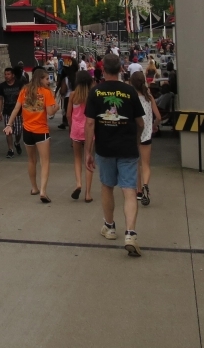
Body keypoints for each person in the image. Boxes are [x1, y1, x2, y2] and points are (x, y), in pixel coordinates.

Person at [86, 54, 146, 256]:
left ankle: (110, 226)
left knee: (107, 186)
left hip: (105, 147)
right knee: (129, 190)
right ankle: (131, 233)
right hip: (127, 148)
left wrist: (88, 151)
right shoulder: (130, 91)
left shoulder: (96, 92)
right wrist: (136, 139)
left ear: (103, 71)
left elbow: (90, 123)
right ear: (121, 69)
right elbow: (140, 122)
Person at [4, 68, 57, 201]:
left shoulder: (24, 90)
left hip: (27, 130)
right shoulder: (46, 92)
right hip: (41, 131)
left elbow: (17, 108)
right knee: (44, 162)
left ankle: (34, 187)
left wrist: (9, 124)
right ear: (40, 79)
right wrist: (56, 107)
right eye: (46, 78)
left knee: (31, 160)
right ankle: (43, 191)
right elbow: (50, 112)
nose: (48, 81)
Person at [130, 71, 161, 206]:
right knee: (146, 165)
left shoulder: (131, 98)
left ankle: (138, 191)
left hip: (134, 134)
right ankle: (146, 185)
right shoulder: (149, 97)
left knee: (136, 163)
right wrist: (154, 126)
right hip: (147, 134)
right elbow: (158, 117)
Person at [69, 70, 95, 202]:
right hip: (89, 130)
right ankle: (88, 193)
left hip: (76, 129)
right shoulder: (92, 96)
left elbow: (69, 114)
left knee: (77, 158)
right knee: (89, 159)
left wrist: (71, 126)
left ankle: (78, 183)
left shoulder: (73, 95)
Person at [0, 67, 23, 157]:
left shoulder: (19, 84)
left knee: (18, 131)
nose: (6, 76)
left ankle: (17, 142)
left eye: (8, 74)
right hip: (7, 111)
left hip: (18, 112)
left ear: (13, 75)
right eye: (5, 74)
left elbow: (24, 98)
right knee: (8, 131)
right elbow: (0, 99)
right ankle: (10, 149)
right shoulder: (2, 86)